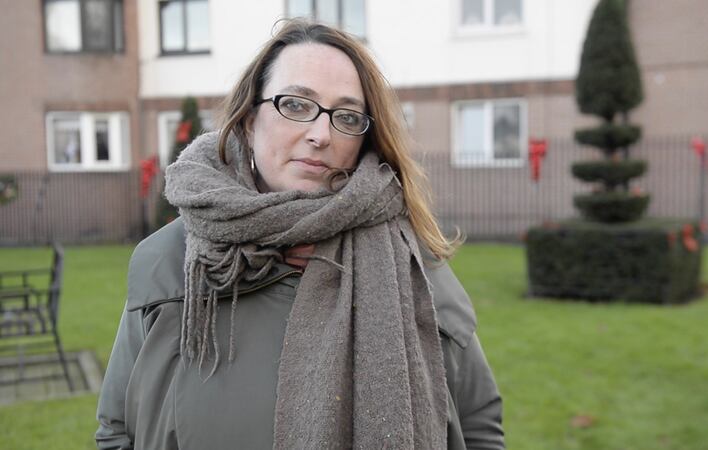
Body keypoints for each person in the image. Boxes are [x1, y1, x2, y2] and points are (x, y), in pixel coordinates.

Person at [95, 19, 504, 450]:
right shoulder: (167, 261)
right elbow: (118, 427)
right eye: (295, 105)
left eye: (346, 117)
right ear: (251, 119)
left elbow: (477, 425)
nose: (320, 134)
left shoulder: (412, 265)